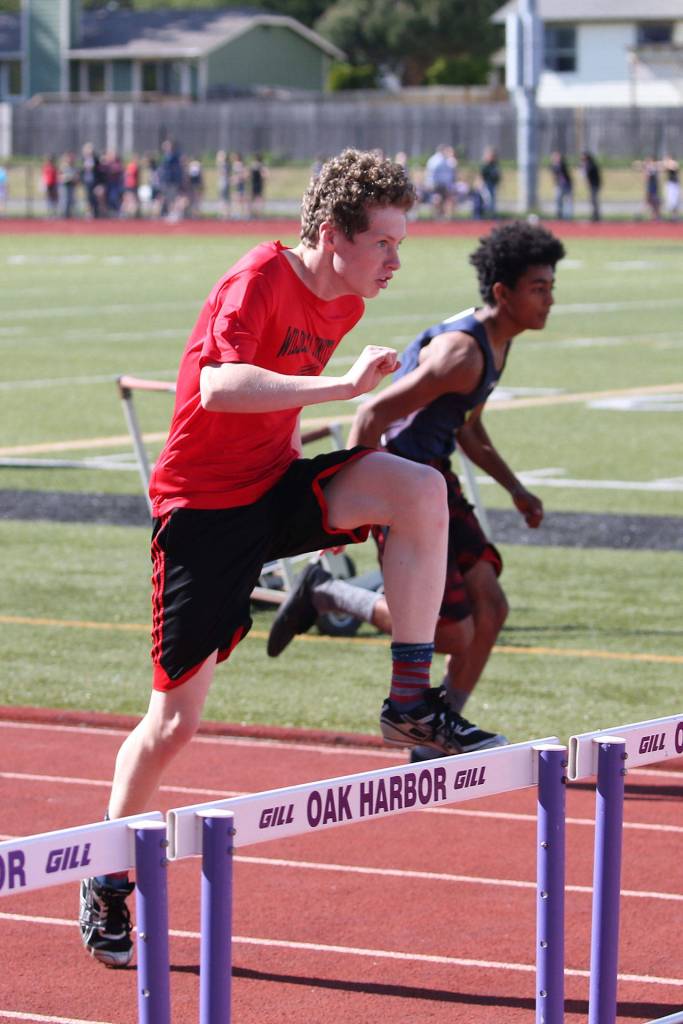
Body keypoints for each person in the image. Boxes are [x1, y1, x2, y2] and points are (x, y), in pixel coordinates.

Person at [78, 147, 475, 967]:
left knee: (419, 491)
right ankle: (107, 873)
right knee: (173, 724)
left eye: (400, 245)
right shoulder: (257, 277)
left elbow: (275, 398)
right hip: (202, 512)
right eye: (383, 244)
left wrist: (305, 445)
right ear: (332, 236)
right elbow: (219, 388)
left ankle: (410, 699)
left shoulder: (346, 303)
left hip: (272, 488)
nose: (395, 262)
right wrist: (344, 391)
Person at [268, 221, 566, 762]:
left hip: (435, 476)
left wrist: (515, 488)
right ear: (503, 293)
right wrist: (355, 507)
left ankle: (435, 738)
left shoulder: (497, 342)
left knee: (491, 608)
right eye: (538, 289)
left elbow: (467, 427)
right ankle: (329, 593)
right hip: (404, 482)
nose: (550, 300)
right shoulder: (462, 354)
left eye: (551, 287)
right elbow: (372, 414)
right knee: (451, 635)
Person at [549, 151, 572, 219]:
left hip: (566, 185)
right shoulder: (553, 166)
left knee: (567, 201)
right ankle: (559, 215)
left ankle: (567, 216)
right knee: (558, 200)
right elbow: (554, 173)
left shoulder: (562, 164)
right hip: (559, 185)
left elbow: (562, 170)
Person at [580, 151, 601, 222]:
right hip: (592, 185)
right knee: (592, 201)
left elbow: (587, 174)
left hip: (594, 185)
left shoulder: (591, 165)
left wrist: (583, 167)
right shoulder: (587, 165)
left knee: (593, 200)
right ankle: (594, 215)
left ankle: (596, 216)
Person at [480, 146, 501, 217]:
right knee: (487, 200)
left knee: (492, 200)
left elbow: (497, 176)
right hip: (486, 185)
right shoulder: (485, 166)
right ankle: (485, 214)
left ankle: (491, 214)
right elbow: (481, 176)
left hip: (493, 185)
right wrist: (481, 185)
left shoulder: (495, 165)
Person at [662, 154, 680, 220]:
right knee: (670, 201)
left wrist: (666, 163)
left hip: (674, 185)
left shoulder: (674, 163)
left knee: (675, 200)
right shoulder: (668, 164)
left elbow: (672, 167)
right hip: (670, 184)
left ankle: (675, 216)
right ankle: (673, 216)